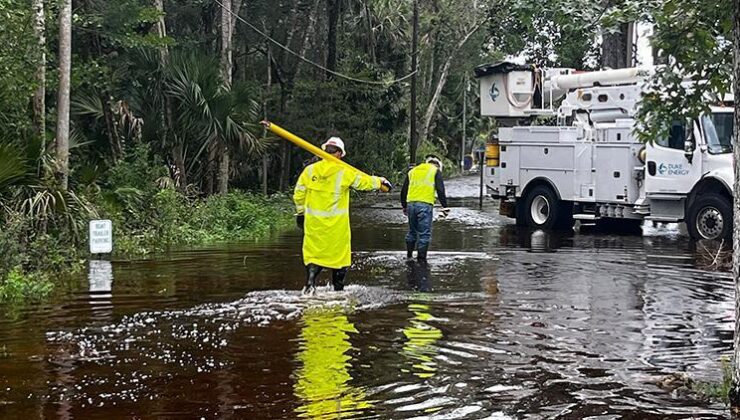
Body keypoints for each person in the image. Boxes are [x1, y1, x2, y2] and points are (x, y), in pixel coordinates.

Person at [294, 137, 390, 294]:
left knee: (314, 255)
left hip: (314, 225)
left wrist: (300, 213)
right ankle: (338, 292)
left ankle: (310, 283)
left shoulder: (309, 171)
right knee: (339, 259)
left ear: (325, 150)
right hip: (336, 227)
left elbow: (299, 193)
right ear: (339, 154)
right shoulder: (344, 172)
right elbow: (363, 182)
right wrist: (380, 182)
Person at [401, 154, 449, 261]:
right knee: (424, 235)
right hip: (425, 205)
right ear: (438, 165)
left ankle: (409, 256)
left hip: (411, 204)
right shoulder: (435, 171)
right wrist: (445, 206)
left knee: (412, 231)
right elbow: (440, 190)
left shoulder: (413, 171)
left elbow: (404, 191)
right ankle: (421, 261)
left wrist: (404, 206)